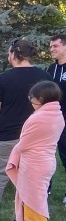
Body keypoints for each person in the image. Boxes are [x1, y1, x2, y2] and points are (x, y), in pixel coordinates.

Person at [0, 39, 48, 221]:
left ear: (14, 54)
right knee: (28, 179)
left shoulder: (4, 78)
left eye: (9, 53)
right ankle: (22, 218)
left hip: (7, 136)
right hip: (34, 138)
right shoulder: (45, 77)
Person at [2, 81, 64, 221]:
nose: (31, 101)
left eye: (32, 98)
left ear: (42, 99)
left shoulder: (39, 117)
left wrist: (14, 153)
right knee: (30, 202)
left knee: (37, 205)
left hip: (35, 165)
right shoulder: (57, 114)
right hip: (45, 163)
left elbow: (24, 143)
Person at [46, 32, 66, 201]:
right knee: (46, 156)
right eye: (51, 46)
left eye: (55, 46)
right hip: (50, 121)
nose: (51, 49)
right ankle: (45, 189)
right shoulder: (51, 69)